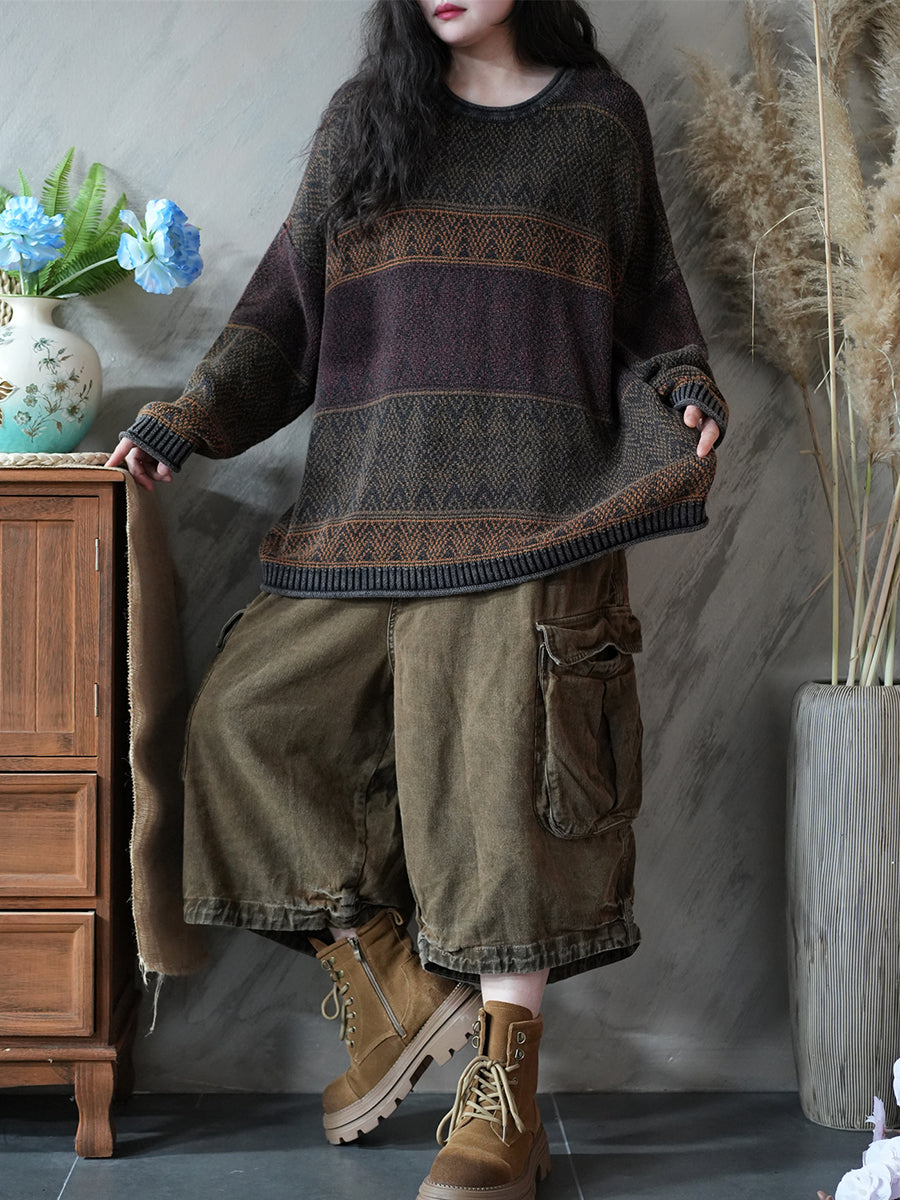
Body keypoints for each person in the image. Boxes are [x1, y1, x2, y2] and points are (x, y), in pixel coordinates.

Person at [107, 2, 726, 1196]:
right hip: (363, 518)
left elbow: (649, 307)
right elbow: (282, 317)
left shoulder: (597, 124)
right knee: (243, 726)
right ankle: (393, 985)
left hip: (536, 516)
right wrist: (189, 419)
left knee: (501, 788)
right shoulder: (365, 124)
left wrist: (686, 386)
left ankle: (503, 1097)